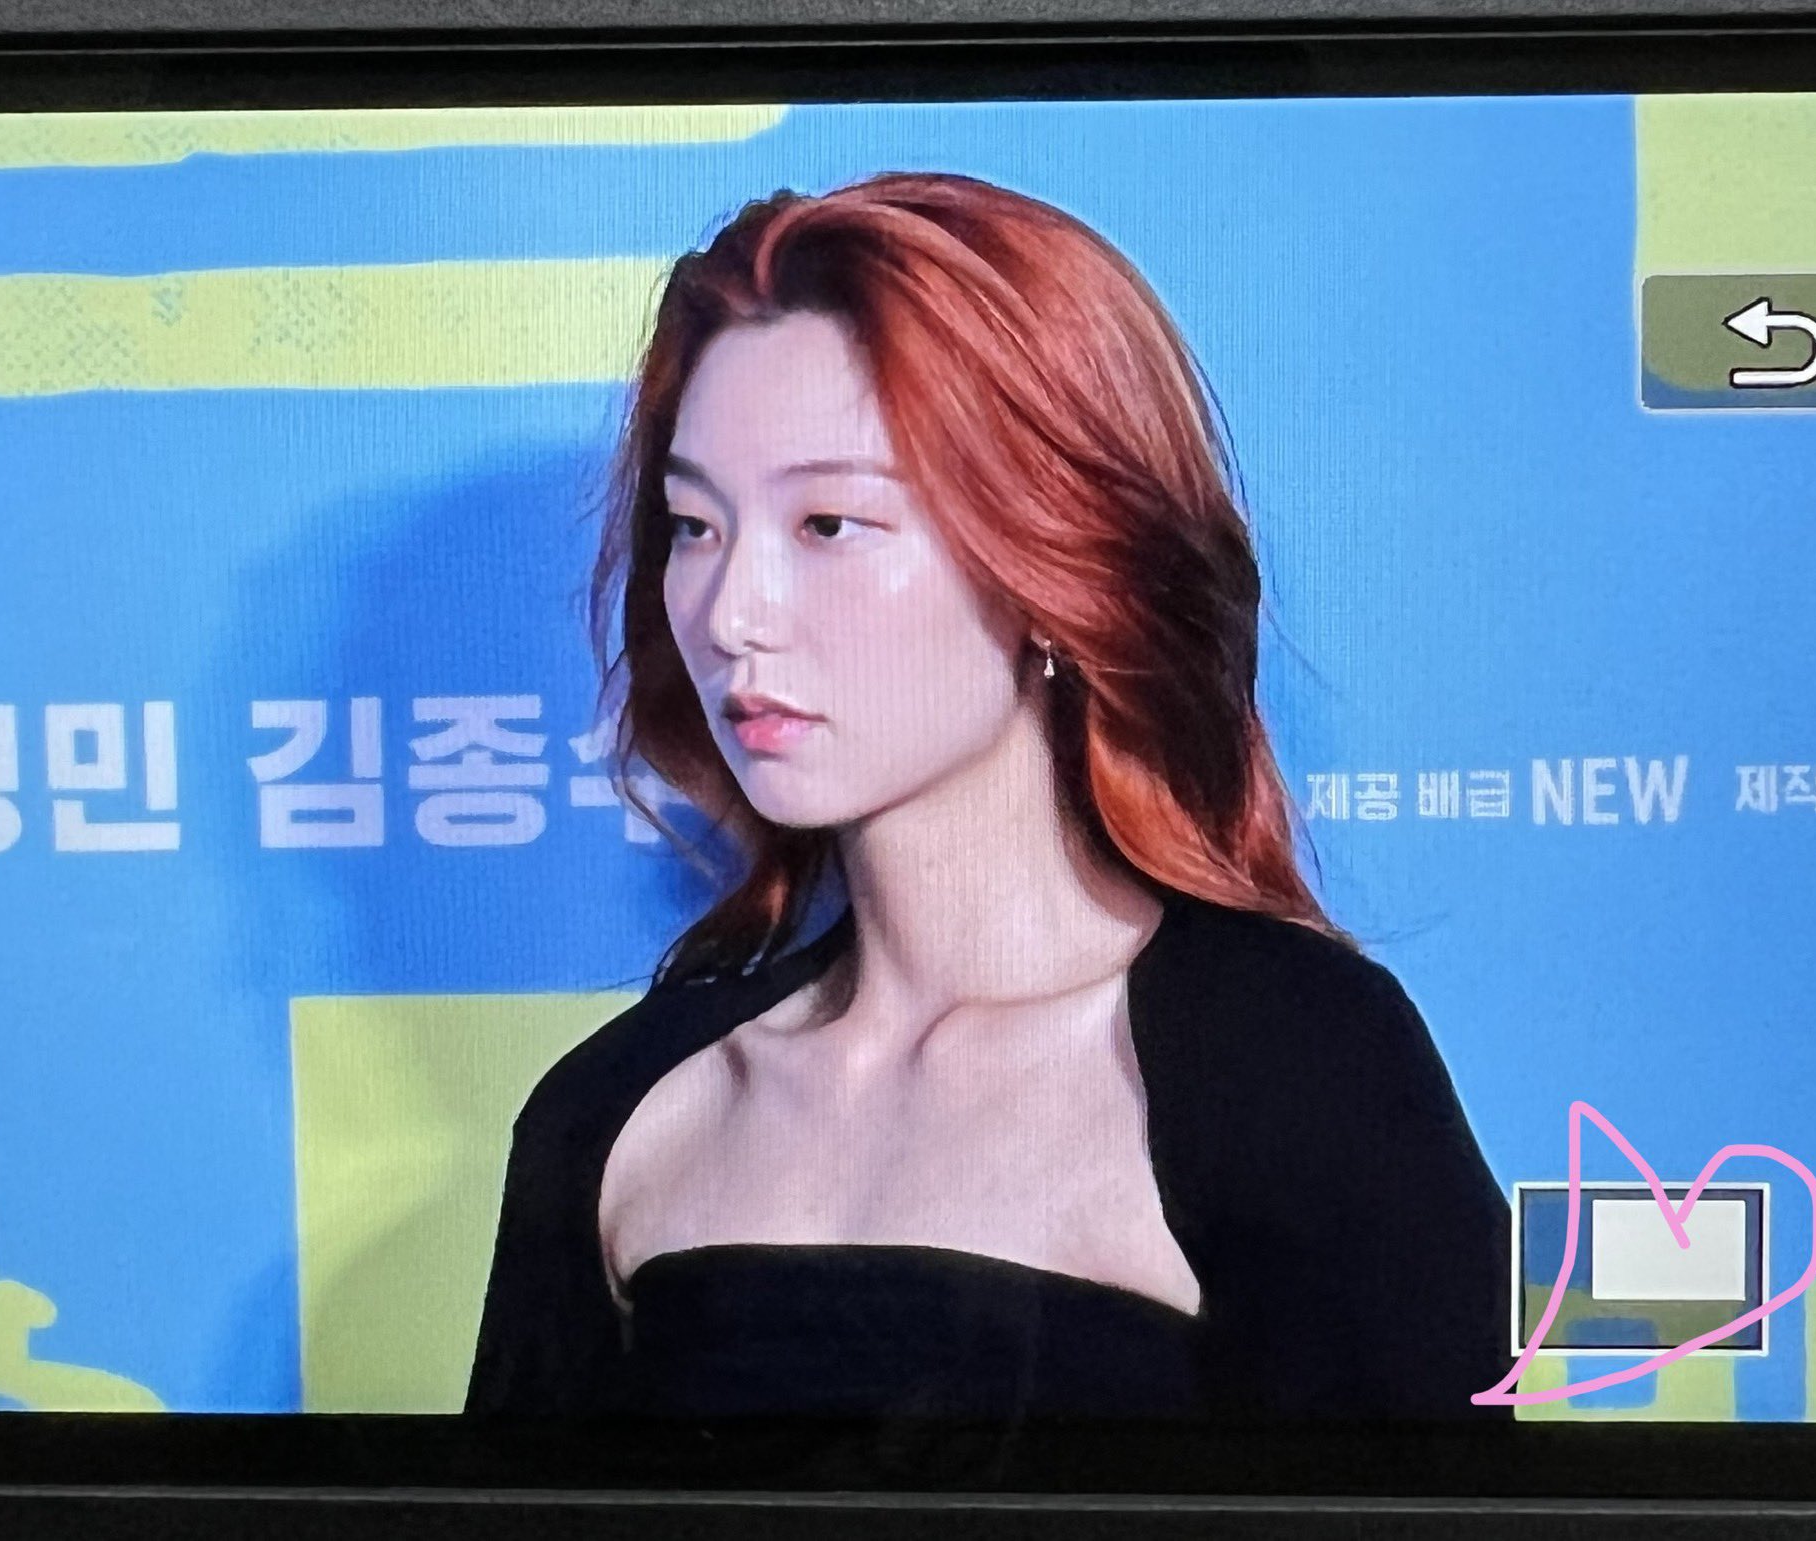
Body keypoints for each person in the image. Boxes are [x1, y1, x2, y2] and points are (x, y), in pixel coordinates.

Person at [465, 170, 1511, 1424]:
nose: (732, 612)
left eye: (828, 523)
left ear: (1053, 555)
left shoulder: (1289, 1068)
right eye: (694, 525)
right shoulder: (619, 1110)